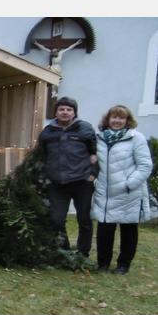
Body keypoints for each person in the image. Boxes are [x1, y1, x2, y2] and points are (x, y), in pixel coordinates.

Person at [91, 105, 152, 274]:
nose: (117, 121)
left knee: (128, 230)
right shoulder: (99, 138)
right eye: (114, 117)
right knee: (104, 230)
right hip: (106, 192)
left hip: (128, 193)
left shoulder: (136, 138)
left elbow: (145, 165)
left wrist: (129, 184)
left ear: (127, 121)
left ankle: (123, 265)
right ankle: (102, 264)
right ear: (108, 119)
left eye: (121, 118)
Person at [36, 96, 97, 256]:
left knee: (84, 219)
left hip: (81, 182)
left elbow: (96, 153)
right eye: (61, 109)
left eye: (69, 109)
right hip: (56, 183)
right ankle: (65, 251)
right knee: (56, 219)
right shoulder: (47, 132)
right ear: (56, 112)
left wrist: (92, 174)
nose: (65, 112)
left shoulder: (85, 129)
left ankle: (83, 252)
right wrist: (44, 176)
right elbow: (41, 155)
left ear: (74, 113)